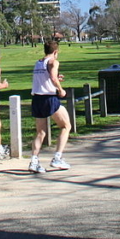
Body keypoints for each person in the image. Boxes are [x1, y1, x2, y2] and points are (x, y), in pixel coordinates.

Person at [28, 39, 71, 173]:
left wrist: (57, 77)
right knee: (66, 126)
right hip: (49, 98)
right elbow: (52, 78)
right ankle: (57, 157)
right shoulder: (53, 61)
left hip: (37, 98)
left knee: (41, 132)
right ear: (55, 52)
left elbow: (47, 77)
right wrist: (60, 89)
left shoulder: (38, 63)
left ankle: (34, 161)